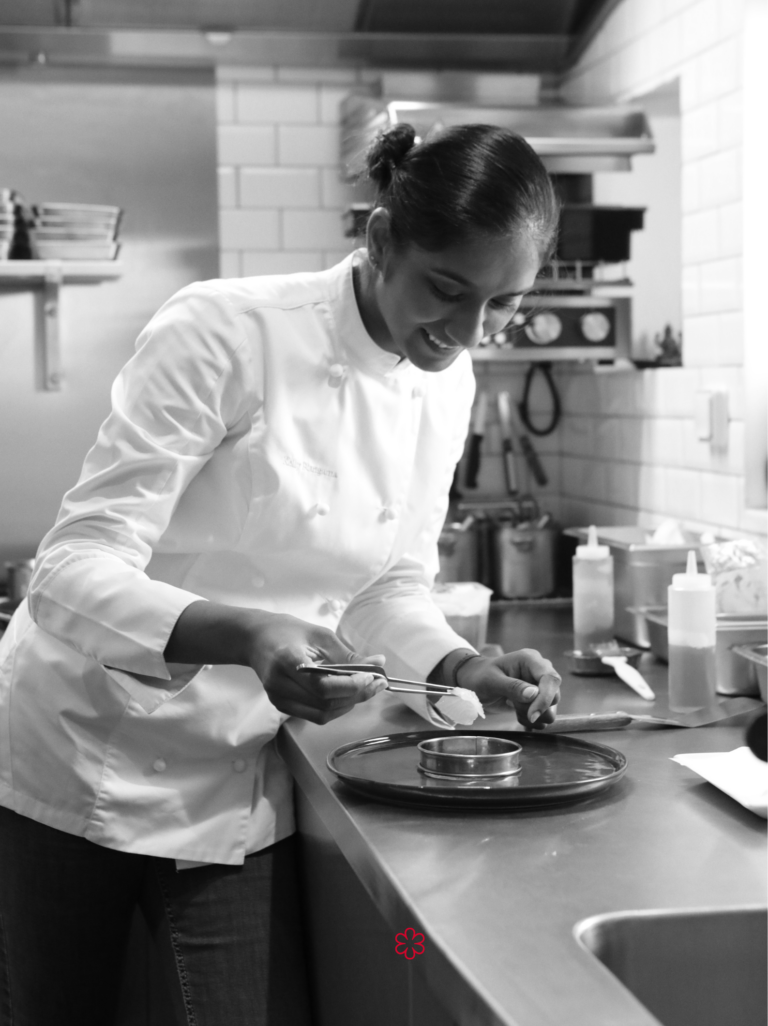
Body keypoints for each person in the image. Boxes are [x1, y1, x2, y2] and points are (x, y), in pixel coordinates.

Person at [0, 122, 562, 1025]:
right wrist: (250, 633)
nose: (467, 334)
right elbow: (70, 567)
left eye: (504, 305)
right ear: (381, 239)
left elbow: (387, 583)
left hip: (237, 772)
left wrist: (459, 665)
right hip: (78, 745)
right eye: (447, 290)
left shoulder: (445, 381)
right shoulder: (226, 329)